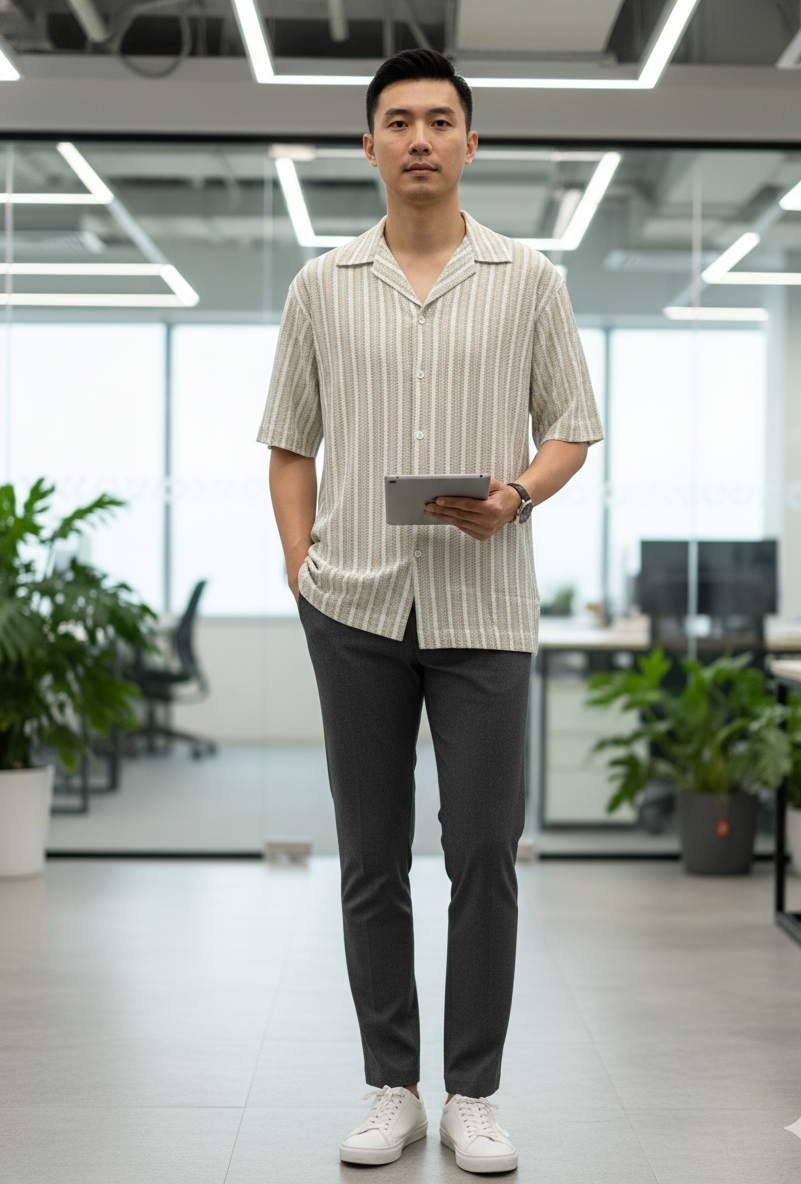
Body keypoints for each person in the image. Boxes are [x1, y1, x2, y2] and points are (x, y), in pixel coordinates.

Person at [258, 47, 603, 1175]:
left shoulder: (530, 280)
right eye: (397, 120)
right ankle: (392, 1083)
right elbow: (289, 445)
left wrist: (517, 494)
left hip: (485, 608)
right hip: (353, 604)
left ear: (468, 142)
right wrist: (302, 564)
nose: (418, 138)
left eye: (438, 120)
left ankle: (476, 1094)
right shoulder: (321, 287)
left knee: (484, 853)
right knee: (369, 855)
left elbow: (573, 427)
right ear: (369, 145)